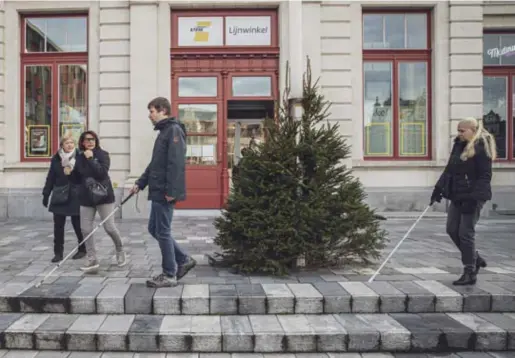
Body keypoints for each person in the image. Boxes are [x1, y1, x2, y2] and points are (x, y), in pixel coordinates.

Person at [130, 97, 196, 288]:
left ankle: (169, 274)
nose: (149, 115)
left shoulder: (173, 130)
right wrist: (140, 183)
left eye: (152, 111)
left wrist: (172, 191)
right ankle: (183, 260)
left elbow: (175, 164)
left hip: (165, 192)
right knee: (154, 229)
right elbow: (156, 164)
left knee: (163, 232)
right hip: (158, 190)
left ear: (163, 111)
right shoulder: (164, 132)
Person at [430, 117, 496, 286]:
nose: (459, 134)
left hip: (473, 197)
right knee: (452, 229)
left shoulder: (481, 147)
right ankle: (475, 258)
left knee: (465, 234)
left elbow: (485, 176)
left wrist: (473, 199)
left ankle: (470, 271)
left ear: (472, 130)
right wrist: (438, 189)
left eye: (462, 131)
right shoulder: (459, 145)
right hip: (457, 195)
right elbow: (450, 169)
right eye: (458, 130)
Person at [75, 130, 127, 273]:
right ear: (82, 142)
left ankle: (120, 249)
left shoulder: (103, 155)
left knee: (109, 227)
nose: (90, 142)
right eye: (87, 140)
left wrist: (91, 159)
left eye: (93, 139)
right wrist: (68, 171)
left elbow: (101, 173)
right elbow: (77, 178)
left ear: (96, 141)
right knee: (85, 229)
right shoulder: (79, 157)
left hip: (103, 196)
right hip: (86, 198)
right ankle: (92, 258)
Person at [42, 135, 86, 263]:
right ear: (62, 145)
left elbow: (84, 175)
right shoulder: (56, 159)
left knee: (77, 224)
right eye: (67, 143)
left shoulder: (80, 157)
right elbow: (50, 177)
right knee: (58, 226)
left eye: (72, 142)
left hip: (75, 195)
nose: (70, 145)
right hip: (59, 194)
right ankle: (58, 252)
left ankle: (82, 249)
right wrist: (46, 194)